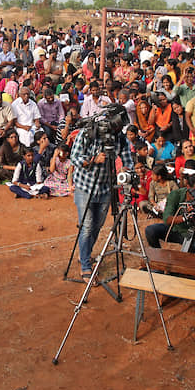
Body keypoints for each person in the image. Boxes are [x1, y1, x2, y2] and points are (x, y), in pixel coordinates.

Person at [70, 105, 133, 281]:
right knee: (87, 226)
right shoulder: (87, 132)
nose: (119, 129)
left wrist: (127, 171)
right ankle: (85, 266)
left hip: (106, 188)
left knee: (97, 226)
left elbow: (127, 157)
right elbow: (74, 157)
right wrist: (93, 159)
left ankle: (85, 253)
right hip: (85, 187)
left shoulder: (119, 137)